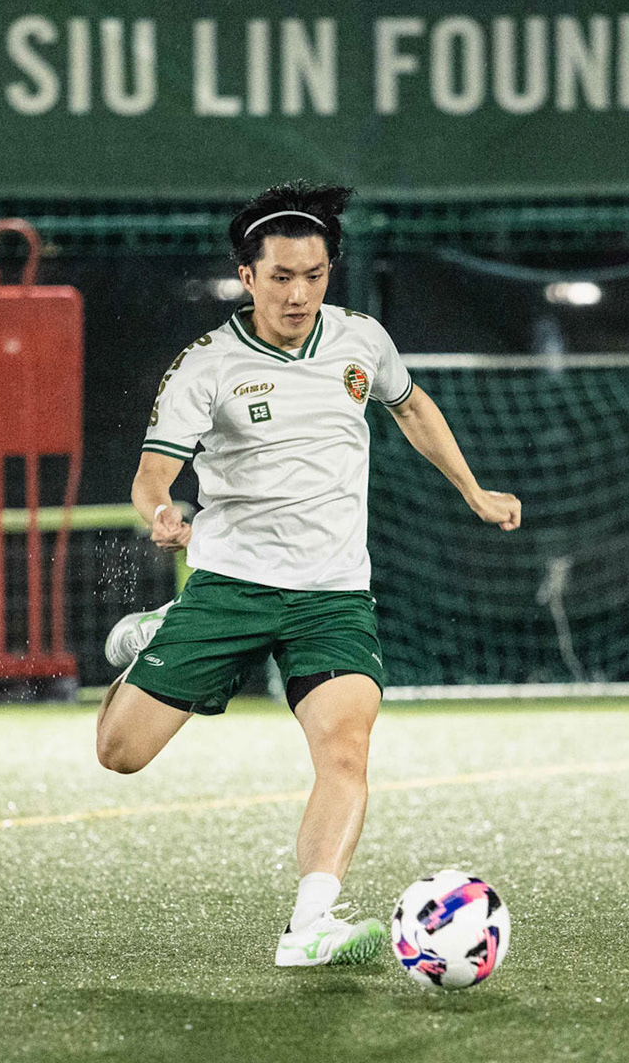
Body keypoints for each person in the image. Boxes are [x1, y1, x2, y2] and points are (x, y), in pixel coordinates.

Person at [96, 181, 521, 968]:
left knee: (346, 752)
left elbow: (412, 405)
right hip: (230, 586)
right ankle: (156, 637)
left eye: (315, 275)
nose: (299, 293)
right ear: (247, 276)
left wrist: (472, 488)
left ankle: (311, 924)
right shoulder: (207, 365)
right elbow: (153, 474)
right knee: (120, 754)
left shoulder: (361, 340)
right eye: (282, 276)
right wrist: (160, 511)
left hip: (333, 594)